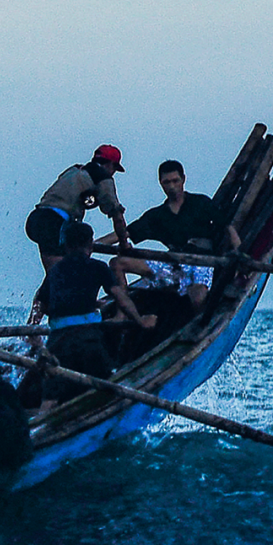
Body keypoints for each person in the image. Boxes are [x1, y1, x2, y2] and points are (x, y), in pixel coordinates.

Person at [35, 221, 155, 407]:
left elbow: (43, 305)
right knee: (107, 387)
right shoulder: (98, 267)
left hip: (57, 340)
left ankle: (37, 429)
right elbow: (121, 297)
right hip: (87, 338)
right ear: (90, 245)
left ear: (65, 245)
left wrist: (87, 304)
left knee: (50, 396)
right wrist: (140, 320)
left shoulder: (55, 271)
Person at [107, 160, 217, 310]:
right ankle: (123, 313)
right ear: (161, 183)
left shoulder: (201, 203)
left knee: (197, 298)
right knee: (117, 263)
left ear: (183, 179)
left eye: (175, 181)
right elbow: (126, 233)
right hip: (172, 265)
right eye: (167, 182)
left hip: (201, 263)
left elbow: (227, 226)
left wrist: (238, 252)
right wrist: (93, 244)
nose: (171, 187)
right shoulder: (157, 215)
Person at [25, 145, 132, 275]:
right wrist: (124, 244)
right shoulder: (102, 177)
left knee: (53, 276)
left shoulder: (73, 170)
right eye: (115, 168)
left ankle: (44, 295)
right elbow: (117, 216)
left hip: (37, 218)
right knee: (61, 276)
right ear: (111, 164)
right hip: (56, 223)